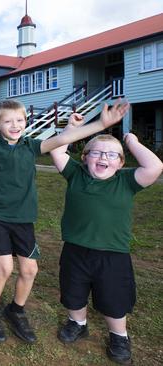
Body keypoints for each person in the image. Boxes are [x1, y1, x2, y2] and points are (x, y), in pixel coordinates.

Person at [0, 98, 130, 344]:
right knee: (5, 268)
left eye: (20, 120)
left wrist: (100, 124)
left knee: (30, 269)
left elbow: (62, 139)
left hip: (23, 220)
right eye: (8, 121)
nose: (15, 125)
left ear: (26, 122)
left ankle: (16, 310)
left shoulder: (31, 145)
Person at [50, 114, 163, 364]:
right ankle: (77, 323)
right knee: (73, 292)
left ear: (121, 163)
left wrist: (130, 140)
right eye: (96, 153)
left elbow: (155, 166)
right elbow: (57, 151)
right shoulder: (75, 174)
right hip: (75, 250)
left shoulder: (126, 181)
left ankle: (119, 335)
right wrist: (72, 128)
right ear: (85, 158)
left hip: (113, 254)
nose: (103, 158)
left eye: (112, 155)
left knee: (114, 297)